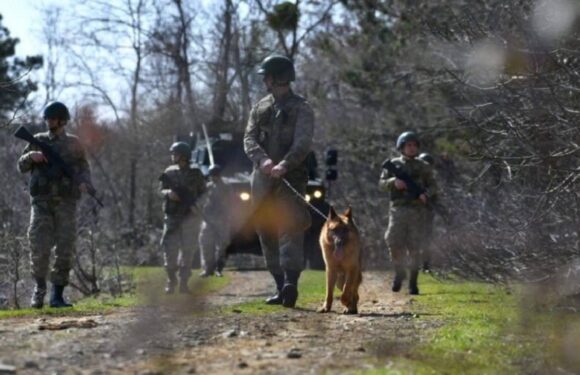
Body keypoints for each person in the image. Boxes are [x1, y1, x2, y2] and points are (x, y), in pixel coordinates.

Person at [243, 54, 314, 308]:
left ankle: (291, 284)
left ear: (276, 78)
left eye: (267, 77)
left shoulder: (302, 108)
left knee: (290, 228)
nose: (265, 81)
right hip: (262, 180)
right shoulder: (259, 107)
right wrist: (263, 161)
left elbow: (303, 142)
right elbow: (249, 139)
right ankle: (278, 285)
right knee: (266, 230)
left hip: (290, 178)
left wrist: (285, 164)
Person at [17, 101, 93, 308]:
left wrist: (86, 183)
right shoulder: (37, 140)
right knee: (39, 247)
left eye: (52, 118)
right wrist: (30, 156)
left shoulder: (74, 143)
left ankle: (57, 296)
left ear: (62, 120)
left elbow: (84, 168)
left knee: (65, 248)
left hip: (67, 203)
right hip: (41, 203)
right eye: (47, 118)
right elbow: (21, 166)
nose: (49, 122)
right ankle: (39, 289)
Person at [379, 131, 438, 295]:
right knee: (393, 241)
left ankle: (413, 281)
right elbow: (381, 184)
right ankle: (399, 272)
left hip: (417, 211)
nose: (411, 148)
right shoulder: (393, 164)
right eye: (408, 145)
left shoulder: (423, 166)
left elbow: (434, 185)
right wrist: (393, 182)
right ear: (402, 147)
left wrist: (426, 194)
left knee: (415, 247)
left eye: (414, 145)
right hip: (397, 210)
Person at [159, 142, 206, 294]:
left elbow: (204, 194)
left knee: (188, 251)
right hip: (172, 216)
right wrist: (168, 193)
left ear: (183, 155)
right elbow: (161, 189)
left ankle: (184, 283)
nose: (172, 156)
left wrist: (197, 206)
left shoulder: (196, 173)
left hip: (190, 218)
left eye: (175, 153)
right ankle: (171, 280)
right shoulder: (169, 171)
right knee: (169, 250)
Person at [199, 164, 232, 277]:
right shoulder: (207, 187)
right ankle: (208, 269)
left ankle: (219, 268)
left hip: (222, 219)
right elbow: (201, 200)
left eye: (215, 175)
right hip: (208, 219)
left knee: (222, 246)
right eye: (212, 175)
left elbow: (229, 202)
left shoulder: (226, 187)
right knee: (206, 244)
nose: (214, 177)